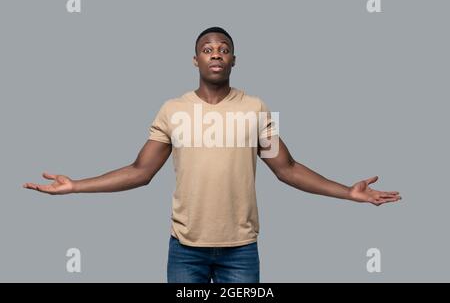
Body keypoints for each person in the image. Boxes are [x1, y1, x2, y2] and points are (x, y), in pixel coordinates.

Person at [23, 26, 402, 283]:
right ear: (196, 60)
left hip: (241, 250)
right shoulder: (172, 109)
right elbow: (141, 171)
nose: (215, 54)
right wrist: (76, 186)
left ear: (234, 60)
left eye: (223, 50)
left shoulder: (255, 107)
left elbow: (286, 169)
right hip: (185, 250)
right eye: (207, 50)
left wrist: (347, 193)